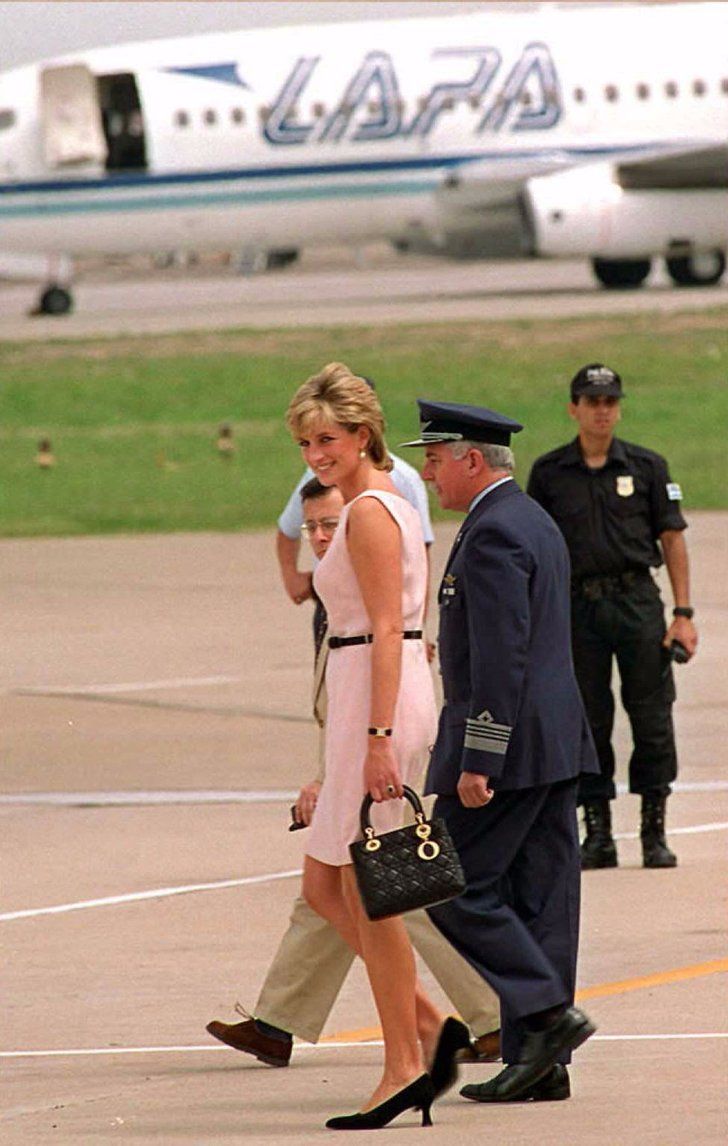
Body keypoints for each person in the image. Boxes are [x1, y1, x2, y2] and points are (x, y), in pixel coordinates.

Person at [207, 478, 501, 1071]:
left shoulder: (380, 506)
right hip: (357, 736)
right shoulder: (337, 567)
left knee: (388, 887)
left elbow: (389, 637)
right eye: (312, 526)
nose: (319, 537)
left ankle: (485, 1017)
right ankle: (287, 1020)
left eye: (328, 526)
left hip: (385, 734)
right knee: (348, 888)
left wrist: (368, 752)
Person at [401, 398, 598, 1104]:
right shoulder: (529, 519)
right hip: (553, 742)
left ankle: (548, 1016)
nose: (428, 474)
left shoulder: (491, 535)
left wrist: (480, 758)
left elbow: (501, 657)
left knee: (447, 882)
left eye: (433, 459)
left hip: (509, 748)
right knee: (540, 898)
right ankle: (540, 1061)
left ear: (471, 460)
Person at [282, 363, 462, 1130]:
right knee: (329, 890)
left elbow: (392, 628)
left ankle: (402, 1066)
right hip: (361, 690)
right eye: (304, 441)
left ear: (362, 435)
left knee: (369, 890)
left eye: (327, 438)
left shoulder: (373, 514)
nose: (315, 453)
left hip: (378, 698)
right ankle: (426, 1024)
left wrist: (381, 739)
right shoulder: (358, 506)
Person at [527, 364, 698, 870]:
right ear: (573, 408)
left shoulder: (648, 467)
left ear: (618, 407)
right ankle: (597, 831)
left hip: (637, 602)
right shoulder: (550, 472)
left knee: (652, 715)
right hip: (577, 608)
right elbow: (535, 547)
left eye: (609, 401)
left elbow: (672, 539)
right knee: (586, 718)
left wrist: (683, 613)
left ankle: (654, 829)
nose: (601, 410)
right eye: (591, 400)